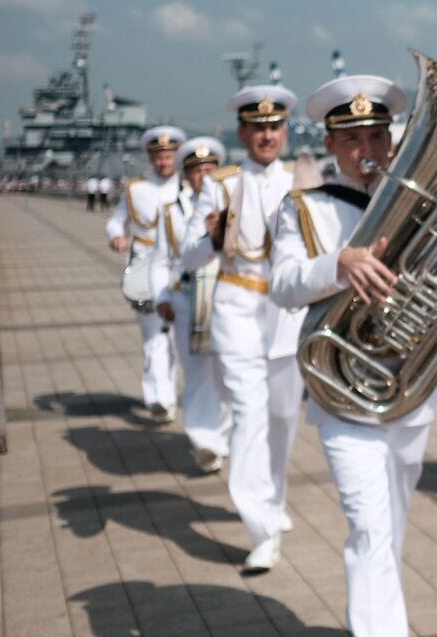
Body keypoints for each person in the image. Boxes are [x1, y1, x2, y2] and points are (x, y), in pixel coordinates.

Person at [270, 75, 437, 637]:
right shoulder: (305, 208)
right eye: (354, 138)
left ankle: (366, 615)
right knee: (369, 531)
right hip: (343, 397)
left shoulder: (425, 206)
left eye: (377, 135)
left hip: (410, 394)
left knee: (387, 531)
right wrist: (335, 264)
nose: (368, 148)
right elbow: (284, 284)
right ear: (333, 146)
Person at [179, 86, 303, 573]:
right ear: (243, 132)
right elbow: (186, 256)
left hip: (287, 314)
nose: (266, 135)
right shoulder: (220, 184)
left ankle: (273, 500)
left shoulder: (303, 179)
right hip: (235, 308)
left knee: (282, 419)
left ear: (284, 131)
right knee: (250, 418)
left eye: (274, 127)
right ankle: (262, 528)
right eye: (257, 127)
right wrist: (211, 234)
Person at [151, 137, 233, 474]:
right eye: (196, 170)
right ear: (186, 175)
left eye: (209, 169)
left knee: (226, 373)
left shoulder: (232, 205)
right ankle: (205, 441)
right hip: (186, 299)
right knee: (198, 373)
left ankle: (222, 435)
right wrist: (162, 297)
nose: (203, 175)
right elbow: (160, 261)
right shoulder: (172, 213)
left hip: (225, 298)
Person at [106, 126, 185, 423]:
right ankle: (159, 399)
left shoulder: (189, 188)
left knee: (178, 338)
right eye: (158, 157)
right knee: (153, 337)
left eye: (168, 156)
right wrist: (116, 237)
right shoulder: (135, 189)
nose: (163, 162)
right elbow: (116, 222)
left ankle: (171, 395)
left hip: (180, 270)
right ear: (151, 158)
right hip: (145, 271)